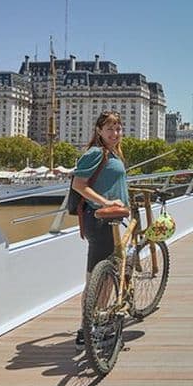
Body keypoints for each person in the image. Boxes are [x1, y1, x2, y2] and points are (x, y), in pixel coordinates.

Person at [71, 110, 129, 350]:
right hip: (100, 221)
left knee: (103, 275)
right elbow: (78, 184)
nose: (115, 133)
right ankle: (88, 328)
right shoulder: (96, 153)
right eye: (110, 129)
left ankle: (94, 325)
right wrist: (106, 202)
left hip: (111, 219)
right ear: (99, 131)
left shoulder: (112, 153)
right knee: (98, 279)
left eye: (118, 129)